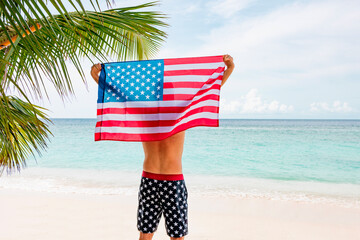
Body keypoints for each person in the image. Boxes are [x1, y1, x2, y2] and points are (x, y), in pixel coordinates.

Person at [91, 55, 234, 240]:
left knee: (152, 235)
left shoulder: (148, 111)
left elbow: (118, 95)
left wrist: (98, 77)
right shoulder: (179, 111)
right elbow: (208, 90)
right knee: (166, 236)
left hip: (152, 180)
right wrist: (229, 69)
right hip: (167, 181)